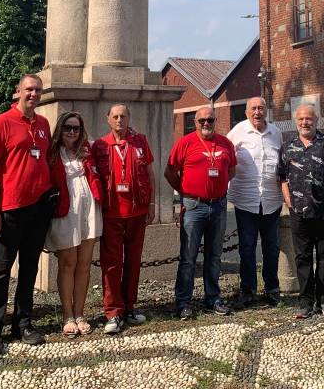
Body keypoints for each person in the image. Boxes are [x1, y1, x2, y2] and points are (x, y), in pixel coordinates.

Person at [0, 74, 53, 355]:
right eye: (28, 90)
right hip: (10, 209)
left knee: (29, 269)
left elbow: (46, 158)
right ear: (18, 92)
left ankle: (23, 323)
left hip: (38, 208)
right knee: (0, 271)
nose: (33, 94)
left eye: (37, 90)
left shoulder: (44, 124)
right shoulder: (3, 122)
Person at [164, 106, 237, 319]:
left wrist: (216, 187)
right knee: (188, 257)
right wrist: (186, 191)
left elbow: (231, 170)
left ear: (216, 121)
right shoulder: (185, 143)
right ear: (195, 122)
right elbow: (170, 171)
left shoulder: (226, 144)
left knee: (214, 256)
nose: (206, 124)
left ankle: (213, 298)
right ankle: (183, 302)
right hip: (194, 207)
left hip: (218, 206)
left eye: (210, 120)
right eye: (202, 120)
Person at [277, 103, 324, 320]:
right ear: (295, 122)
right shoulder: (288, 147)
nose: (304, 122)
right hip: (299, 212)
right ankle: (306, 302)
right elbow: (281, 177)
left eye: (308, 119)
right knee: (303, 256)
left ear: (316, 120)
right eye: (300, 119)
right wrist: (289, 201)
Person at [91, 104, 155, 335]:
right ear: (108, 119)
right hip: (112, 215)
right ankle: (113, 312)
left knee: (133, 262)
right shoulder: (99, 145)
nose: (119, 120)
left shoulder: (140, 142)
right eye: (115, 116)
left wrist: (152, 204)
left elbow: (150, 174)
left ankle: (129, 306)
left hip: (137, 212)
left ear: (129, 118)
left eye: (123, 116)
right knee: (112, 264)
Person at [45, 110, 103, 337]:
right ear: (60, 130)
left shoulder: (88, 151)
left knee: (84, 264)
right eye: (68, 127)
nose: (71, 132)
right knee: (68, 263)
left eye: (76, 128)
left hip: (89, 211)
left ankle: (80, 313)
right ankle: (67, 314)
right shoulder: (53, 153)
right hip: (65, 211)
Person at [227, 96, 284, 307]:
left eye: (261, 108)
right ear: (247, 112)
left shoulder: (276, 133)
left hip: (271, 200)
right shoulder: (237, 132)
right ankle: (248, 289)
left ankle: (272, 288)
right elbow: (225, 159)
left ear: (266, 110)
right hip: (245, 200)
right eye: (253, 109)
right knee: (247, 247)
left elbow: (283, 164)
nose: (257, 112)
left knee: (272, 247)